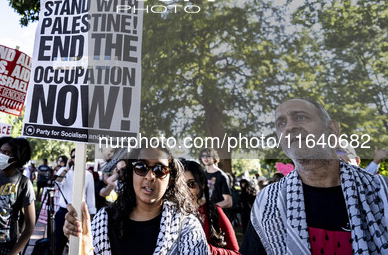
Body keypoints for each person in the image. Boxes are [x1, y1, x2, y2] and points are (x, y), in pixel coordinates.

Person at [241, 98, 388, 254]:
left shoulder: (381, 192)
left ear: (332, 129)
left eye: (300, 117)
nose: (290, 127)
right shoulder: (268, 204)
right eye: (281, 123)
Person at [63, 147, 208, 254]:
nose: (150, 176)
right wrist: (82, 244)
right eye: (141, 167)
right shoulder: (103, 220)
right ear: (131, 174)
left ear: (170, 180)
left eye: (160, 170)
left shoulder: (187, 226)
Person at [182, 160, 239, 254]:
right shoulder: (169, 213)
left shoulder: (214, 211)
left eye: (191, 184)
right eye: (181, 185)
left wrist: (205, 248)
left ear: (202, 184)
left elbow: (235, 253)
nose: (185, 190)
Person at [54, 148, 96, 255]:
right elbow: (56, 183)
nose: (76, 158)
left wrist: (91, 217)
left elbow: (91, 198)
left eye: (79, 156)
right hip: (63, 212)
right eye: (73, 156)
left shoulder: (88, 175)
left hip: (80, 214)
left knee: (78, 246)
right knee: (58, 244)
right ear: (70, 159)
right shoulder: (64, 171)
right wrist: (67, 169)